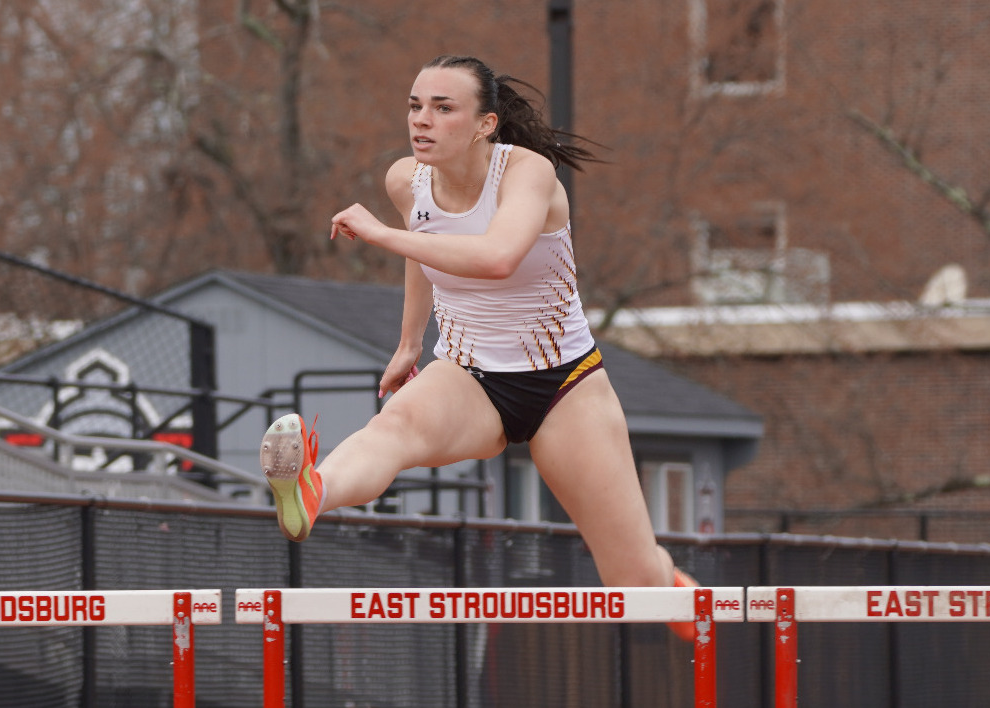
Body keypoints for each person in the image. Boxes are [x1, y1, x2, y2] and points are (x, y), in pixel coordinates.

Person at [260, 54, 698, 641]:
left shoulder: (527, 173)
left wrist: (384, 235)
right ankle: (312, 491)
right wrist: (409, 342)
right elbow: (425, 246)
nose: (422, 120)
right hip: (469, 375)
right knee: (392, 429)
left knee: (635, 584)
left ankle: (689, 605)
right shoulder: (406, 179)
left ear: (484, 124)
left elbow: (496, 257)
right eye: (415, 106)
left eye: (443, 108)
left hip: (563, 384)